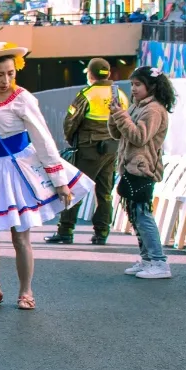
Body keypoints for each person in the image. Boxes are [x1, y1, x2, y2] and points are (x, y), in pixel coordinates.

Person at [0, 42, 92, 310]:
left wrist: (60, 182)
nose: (6, 80)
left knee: (21, 235)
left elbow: (43, 139)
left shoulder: (22, 98)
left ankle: (26, 292)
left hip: (18, 169)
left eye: (10, 73)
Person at [46, 58, 127, 246]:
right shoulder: (120, 94)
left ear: (90, 74)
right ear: (107, 74)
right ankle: (102, 232)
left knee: (75, 189)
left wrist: (71, 141)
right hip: (111, 149)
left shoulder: (87, 94)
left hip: (88, 149)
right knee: (104, 192)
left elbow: (71, 121)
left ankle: (65, 231)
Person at [111, 66, 176, 279]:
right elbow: (118, 133)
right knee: (136, 215)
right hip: (131, 167)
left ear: (152, 86)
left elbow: (139, 137)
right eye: (132, 84)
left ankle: (158, 261)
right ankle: (148, 259)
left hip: (143, 167)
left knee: (143, 215)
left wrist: (121, 116)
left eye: (138, 84)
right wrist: (115, 116)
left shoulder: (154, 109)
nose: (133, 89)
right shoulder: (137, 106)